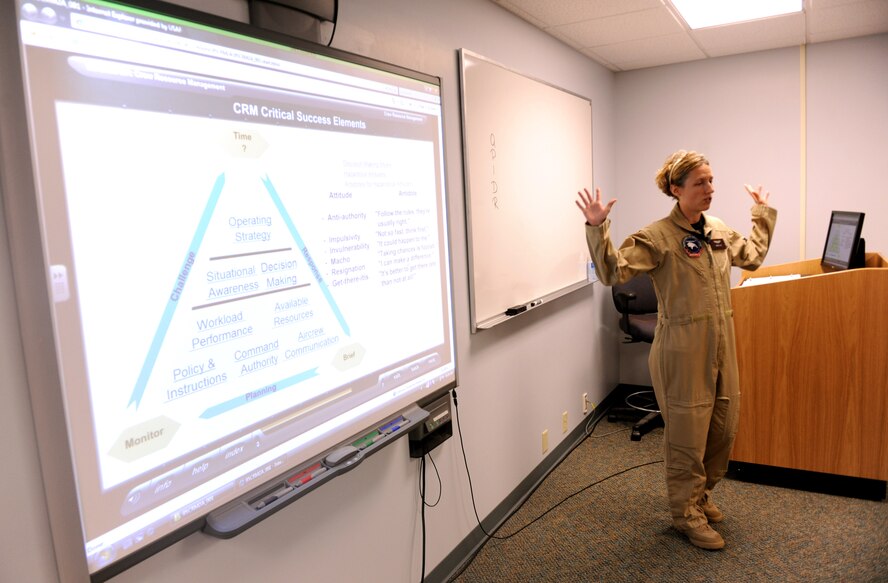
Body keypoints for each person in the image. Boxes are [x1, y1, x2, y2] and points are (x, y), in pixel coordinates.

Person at [575, 149, 776, 550]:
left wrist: (762, 213)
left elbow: (751, 258)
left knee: (723, 427)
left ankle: (701, 496)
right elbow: (613, 271)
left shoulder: (716, 229)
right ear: (675, 188)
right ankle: (685, 514)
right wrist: (597, 228)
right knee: (687, 436)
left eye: (711, 180)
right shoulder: (657, 237)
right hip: (681, 350)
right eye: (700, 182)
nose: (710, 189)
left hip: (722, 344)